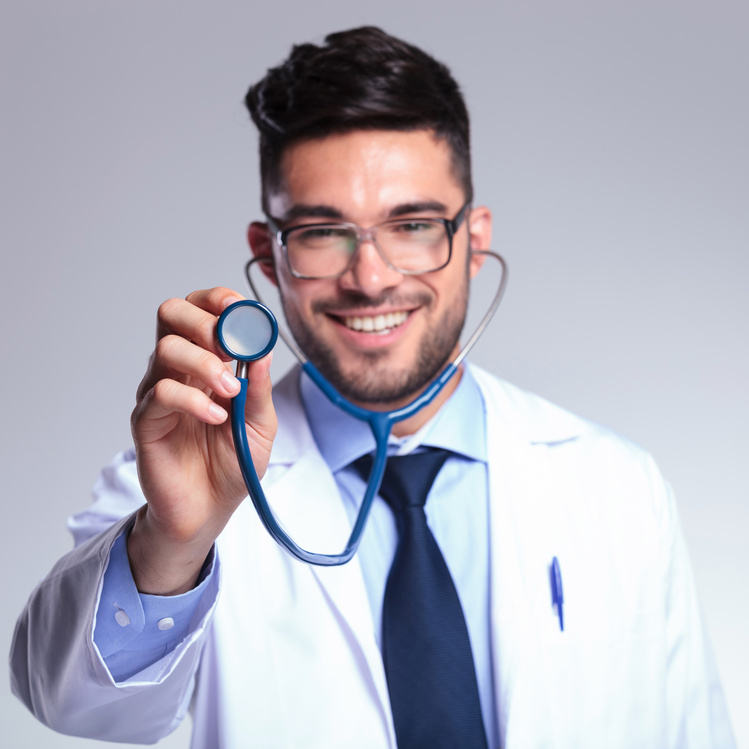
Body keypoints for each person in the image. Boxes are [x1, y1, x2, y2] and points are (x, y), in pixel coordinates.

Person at [10, 26, 735, 749]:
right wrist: (175, 541)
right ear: (270, 256)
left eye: (412, 224)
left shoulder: (617, 487)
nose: (371, 277)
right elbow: (70, 701)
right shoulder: (180, 487)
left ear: (473, 239)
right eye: (324, 232)